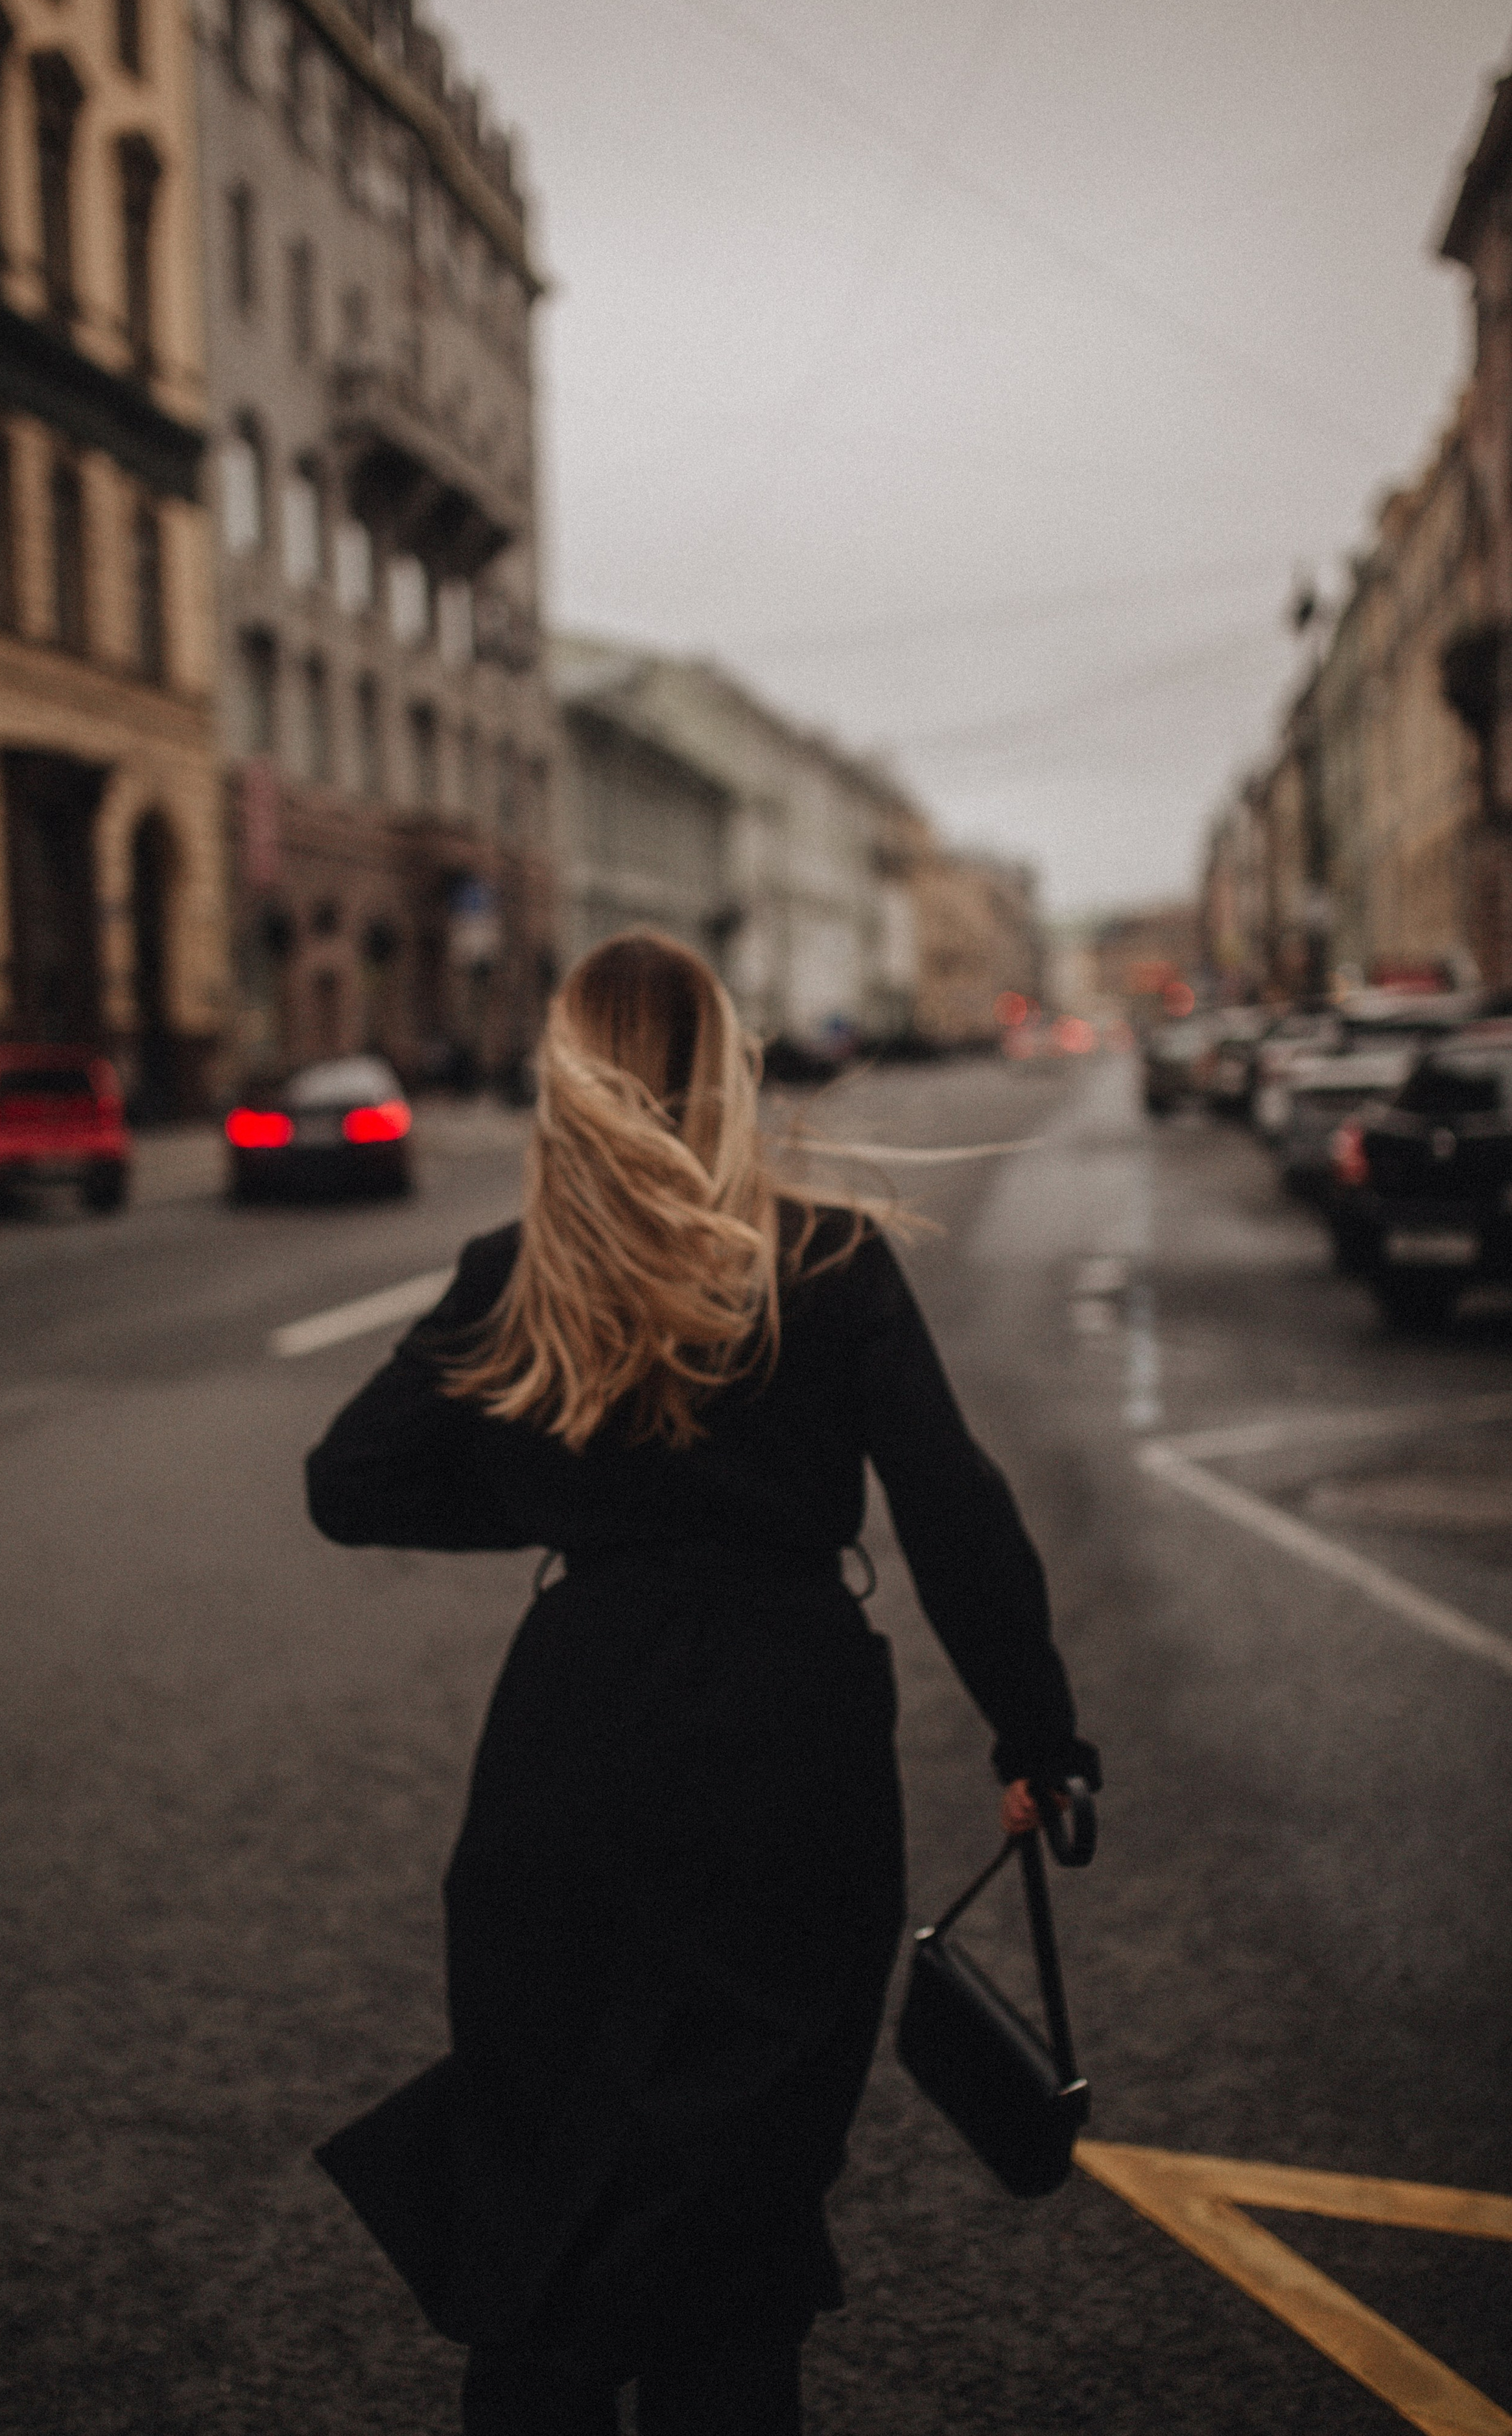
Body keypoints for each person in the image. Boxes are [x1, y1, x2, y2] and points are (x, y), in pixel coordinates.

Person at [306, 930, 1099, 2436]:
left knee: (545, 2131)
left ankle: (542, 2367)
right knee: (747, 2151)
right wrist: (1036, 1733)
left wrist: (577, 1506)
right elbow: (952, 1512)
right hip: (789, 1727)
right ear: (731, 1068)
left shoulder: (518, 1271)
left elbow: (351, 1482)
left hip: (575, 1720)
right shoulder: (828, 1256)